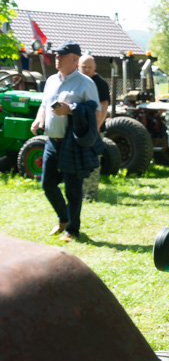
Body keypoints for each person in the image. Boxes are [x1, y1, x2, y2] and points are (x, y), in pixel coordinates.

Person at [30, 41, 101, 243]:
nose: (57, 58)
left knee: (72, 189)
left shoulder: (86, 83)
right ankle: (63, 219)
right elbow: (45, 104)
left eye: (62, 56)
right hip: (52, 141)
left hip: (73, 143)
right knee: (48, 184)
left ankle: (73, 229)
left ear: (75, 60)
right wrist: (39, 119)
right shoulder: (51, 80)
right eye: (57, 55)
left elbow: (94, 112)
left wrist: (70, 110)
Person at [78, 54, 110, 201]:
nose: (86, 70)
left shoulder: (100, 83)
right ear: (78, 66)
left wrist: (97, 125)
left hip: (95, 129)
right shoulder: (77, 80)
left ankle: (90, 194)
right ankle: (79, 192)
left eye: (89, 67)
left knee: (92, 161)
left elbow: (104, 106)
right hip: (79, 128)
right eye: (84, 67)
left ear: (94, 67)